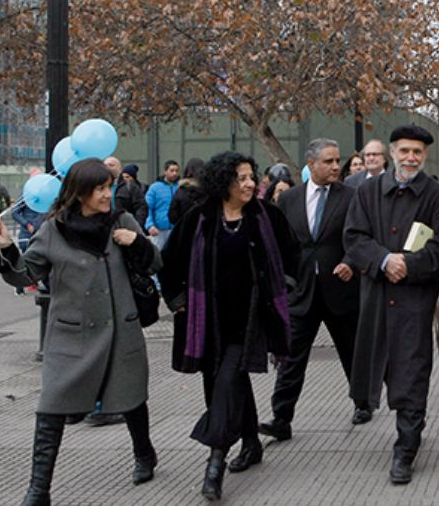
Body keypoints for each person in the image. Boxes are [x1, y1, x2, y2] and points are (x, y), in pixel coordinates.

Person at [0, 158, 161, 504]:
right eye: (100, 188)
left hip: (120, 330)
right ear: (80, 192)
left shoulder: (121, 221)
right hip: (70, 335)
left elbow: (155, 263)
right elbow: (26, 274)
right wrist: (7, 246)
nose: (107, 194)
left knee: (130, 400)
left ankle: (144, 453)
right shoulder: (54, 229)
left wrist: (137, 243)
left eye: (109, 187)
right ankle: (38, 490)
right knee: (51, 409)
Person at [159, 152, 298, 501]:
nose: (251, 183)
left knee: (226, 383)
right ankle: (251, 444)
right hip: (206, 322)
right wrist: (176, 302)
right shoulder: (199, 219)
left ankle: (215, 464)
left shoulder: (266, 216)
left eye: (252, 176)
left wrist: (285, 285)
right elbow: (169, 262)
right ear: (224, 182)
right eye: (242, 177)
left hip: (250, 321)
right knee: (224, 384)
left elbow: (293, 253)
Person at [343, 125, 439, 484]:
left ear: (424, 156)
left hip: (414, 300)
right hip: (376, 297)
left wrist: (408, 264)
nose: (410, 158)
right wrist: (382, 260)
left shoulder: (437, 196)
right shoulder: (367, 191)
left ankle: (406, 447)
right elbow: (354, 236)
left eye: (417, 153)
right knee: (378, 364)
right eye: (404, 151)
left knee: (411, 370)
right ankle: (377, 410)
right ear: (392, 152)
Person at [260, 138, 369, 443]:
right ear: (311, 164)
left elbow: (360, 236)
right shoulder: (290, 199)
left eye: (338, 160)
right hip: (302, 292)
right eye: (329, 161)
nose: (336, 166)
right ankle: (281, 418)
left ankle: (362, 402)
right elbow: (282, 243)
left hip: (341, 289)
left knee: (351, 351)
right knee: (291, 357)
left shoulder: (351, 196)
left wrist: (350, 261)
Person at [104, 157, 148, 229]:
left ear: (120, 169)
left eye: (111, 165)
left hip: (125, 228)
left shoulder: (130, 187)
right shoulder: (98, 187)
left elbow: (141, 208)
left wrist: (136, 226)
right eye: (105, 165)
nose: (107, 168)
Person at [145, 160, 180, 250]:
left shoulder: (180, 187)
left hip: (176, 230)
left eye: (176, 171)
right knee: (157, 256)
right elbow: (147, 207)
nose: (175, 173)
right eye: (172, 170)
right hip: (158, 230)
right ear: (165, 171)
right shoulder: (155, 188)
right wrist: (150, 225)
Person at [168, 158, 206, 226]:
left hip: (184, 231)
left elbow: (172, 218)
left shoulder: (180, 191)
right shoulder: (209, 192)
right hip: (205, 232)